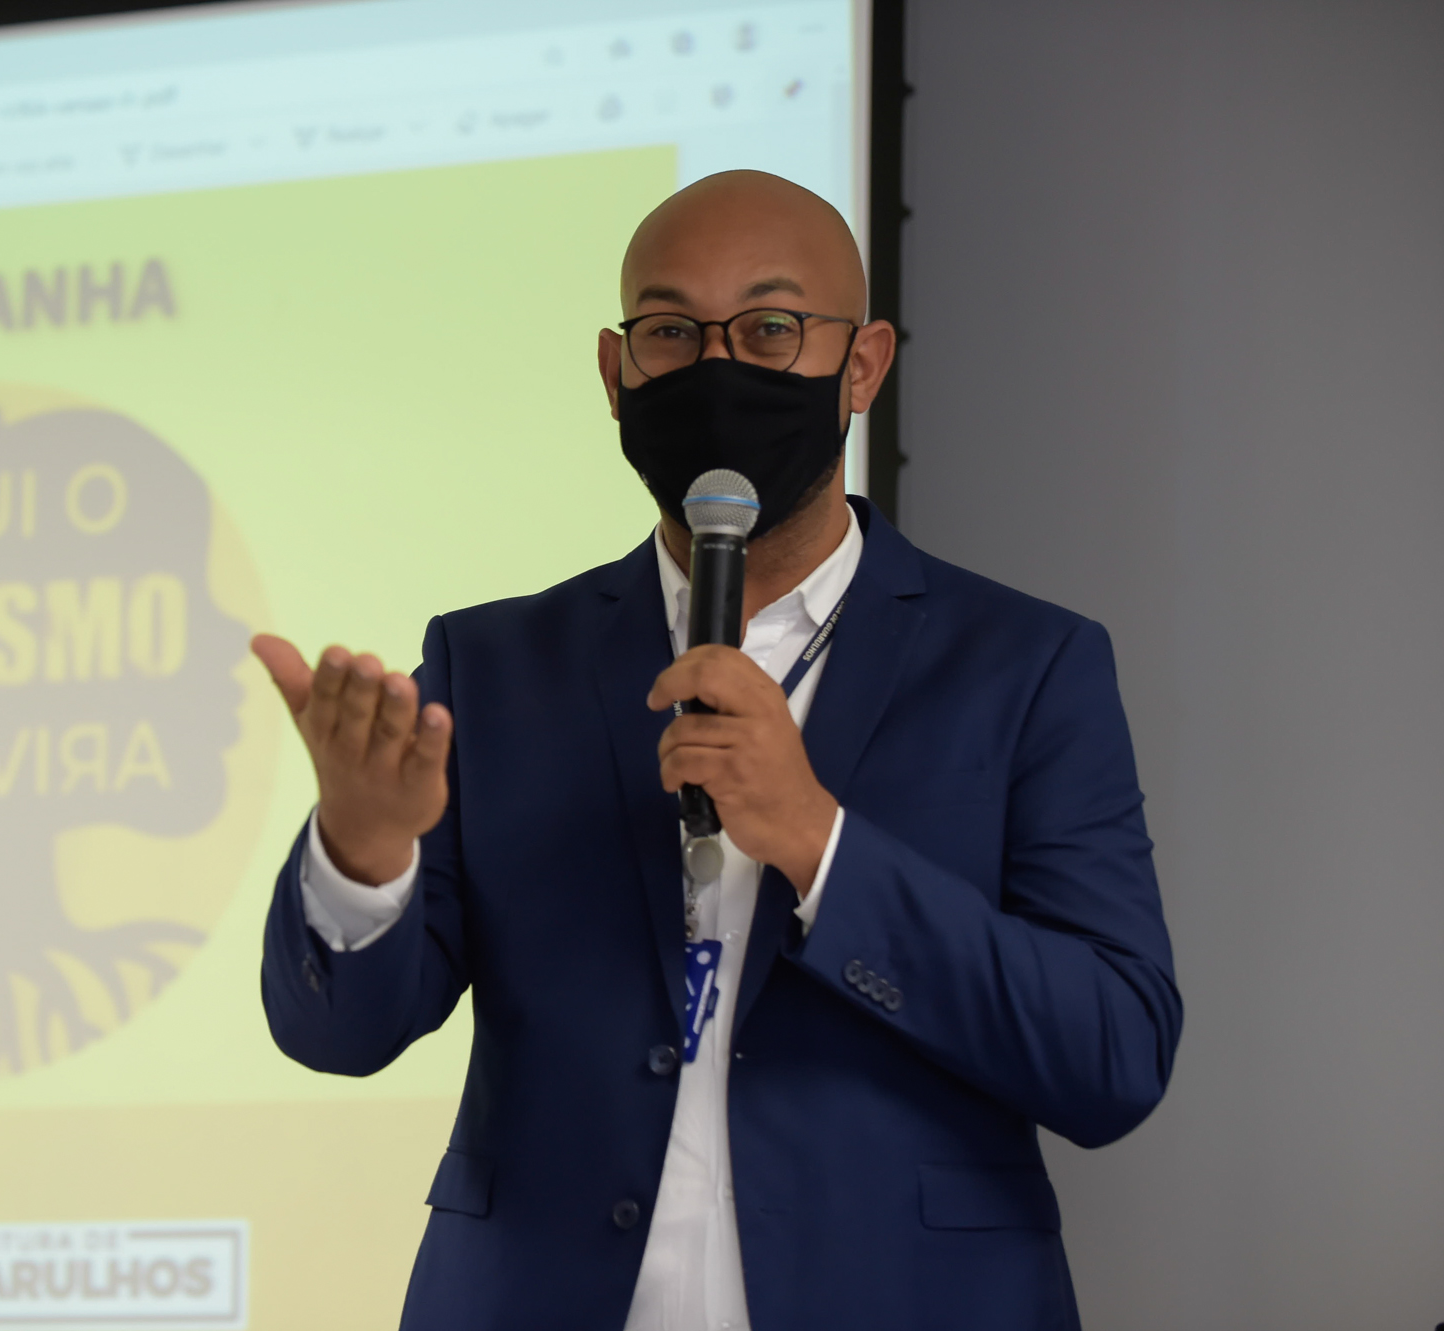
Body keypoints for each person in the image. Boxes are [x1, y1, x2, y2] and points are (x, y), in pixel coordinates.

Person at [251, 170, 1180, 1331]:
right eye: (670, 332)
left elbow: (1111, 1054)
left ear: (861, 366)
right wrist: (361, 849)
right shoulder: (489, 665)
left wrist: (818, 843)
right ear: (614, 372)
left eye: (770, 329)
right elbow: (335, 1035)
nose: (715, 368)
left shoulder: (1023, 665)